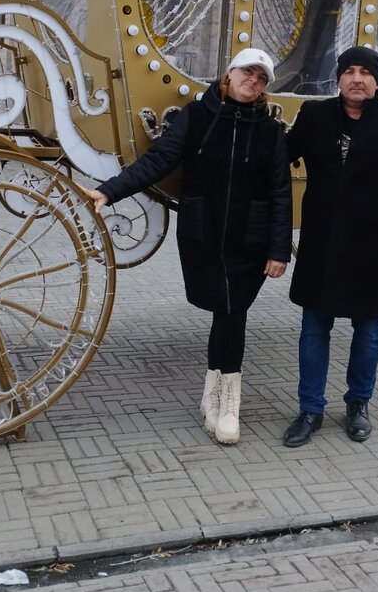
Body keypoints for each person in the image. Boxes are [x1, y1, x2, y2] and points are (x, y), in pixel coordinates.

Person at [83, 48, 291, 445]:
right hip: (204, 232)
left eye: (262, 78)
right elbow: (158, 161)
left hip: (251, 237)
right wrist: (109, 192)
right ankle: (213, 395)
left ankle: (227, 401)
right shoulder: (196, 118)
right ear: (228, 75)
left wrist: (279, 250)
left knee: (233, 311)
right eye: (248, 72)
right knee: (223, 309)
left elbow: (281, 193)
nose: (254, 81)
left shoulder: (270, 132)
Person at [283, 46, 378, 448]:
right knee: (313, 331)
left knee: (369, 333)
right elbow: (280, 157)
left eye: (365, 72)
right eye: (349, 71)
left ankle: (358, 404)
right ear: (339, 78)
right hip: (321, 247)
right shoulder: (314, 117)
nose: (356, 79)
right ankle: (310, 408)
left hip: (373, 251)